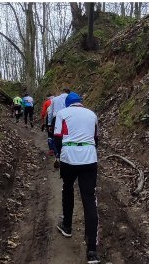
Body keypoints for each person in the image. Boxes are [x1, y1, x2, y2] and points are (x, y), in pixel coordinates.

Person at [54, 92, 100, 264]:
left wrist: (59, 155)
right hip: (89, 157)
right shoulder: (92, 114)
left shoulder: (62, 113)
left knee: (68, 188)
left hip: (69, 157)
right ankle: (92, 251)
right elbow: (96, 139)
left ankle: (67, 225)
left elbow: (57, 138)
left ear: (68, 104)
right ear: (81, 102)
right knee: (89, 199)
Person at [48, 87, 71, 166]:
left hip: (56, 118)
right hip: (67, 119)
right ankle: (67, 157)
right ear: (69, 92)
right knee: (67, 137)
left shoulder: (55, 99)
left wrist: (50, 123)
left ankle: (57, 155)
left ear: (62, 91)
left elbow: (50, 112)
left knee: (56, 137)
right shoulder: (70, 99)